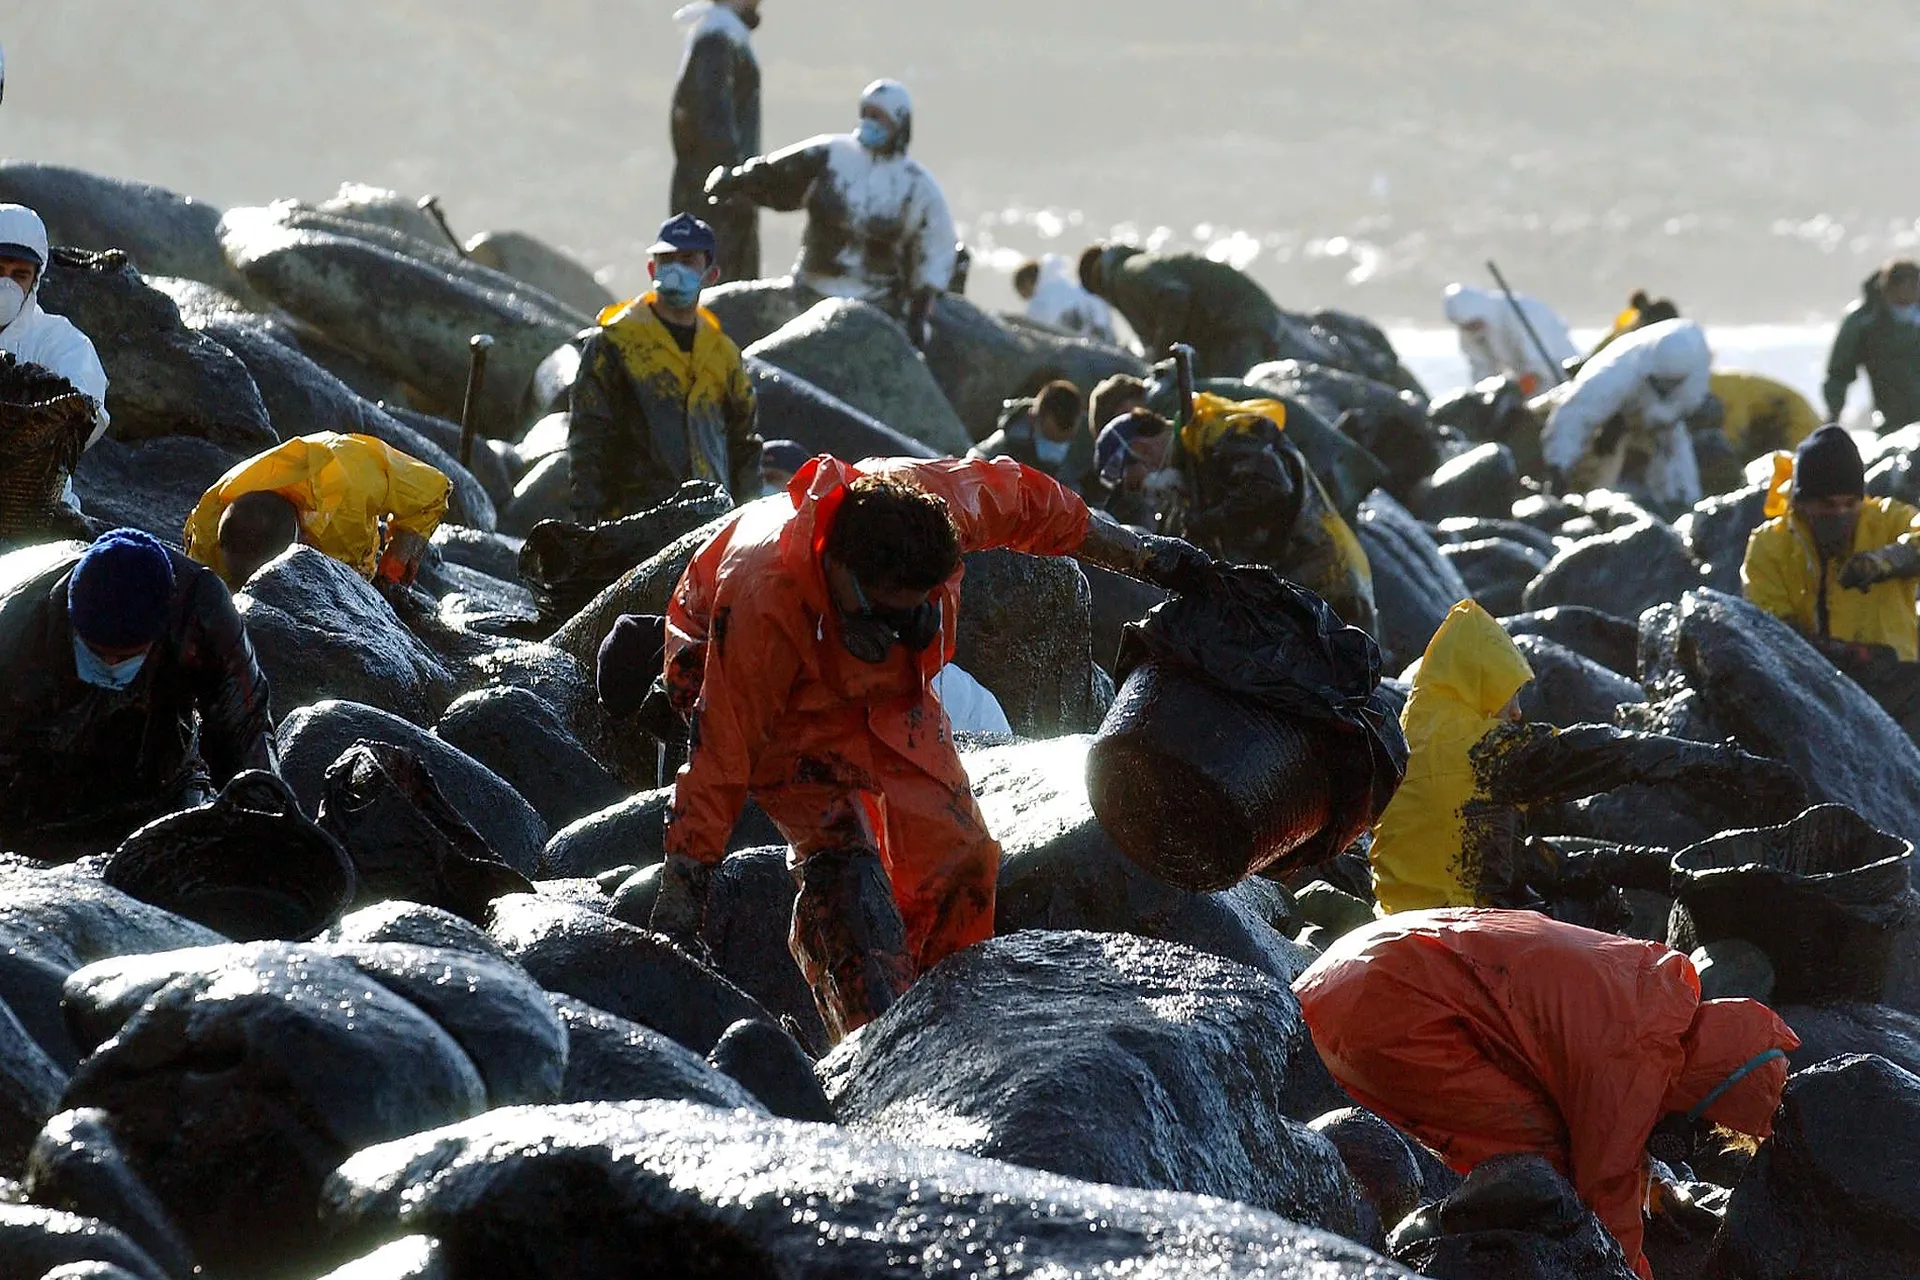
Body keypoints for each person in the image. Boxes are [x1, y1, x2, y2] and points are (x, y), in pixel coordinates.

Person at [649, 454, 1210, 1041]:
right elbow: (722, 753)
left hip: (884, 684)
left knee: (958, 856)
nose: (919, 622)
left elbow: (1031, 501)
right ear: (845, 576)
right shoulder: (762, 604)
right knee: (845, 867)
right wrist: (685, 887)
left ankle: (956, 1018)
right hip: (756, 678)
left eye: (928, 603)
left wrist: (1141, 554)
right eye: (900, 611)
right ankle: (869, 1039)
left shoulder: (931, 501)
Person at [1294, 908, 1800, 1279]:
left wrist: (1651, 1186)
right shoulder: (1633, 1065)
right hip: (1375, 1012)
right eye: (1713, 1123)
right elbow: (1604, 1185)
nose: (1704, 1132)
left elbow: (1610, 1103)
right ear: (1714, 1093)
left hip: (1359, 960)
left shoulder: (1656, 985)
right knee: (1546, 1170)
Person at [1371, 600, 1804, 916]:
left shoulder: (1408, 739)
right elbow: (1608, 754)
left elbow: (1466, 845)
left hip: (1397, 916)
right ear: (1475, 683)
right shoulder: (1485, 752)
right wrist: (1719, 763)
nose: (1518, 711)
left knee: (1580, 864)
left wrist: (1640, 864)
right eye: (1508, 692)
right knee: (1599, 903)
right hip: (1462, 929)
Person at [0, 528, 276, 858]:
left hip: (161, 780)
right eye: (98, 652)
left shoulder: (200, 610)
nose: (112, 664)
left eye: (127, 654)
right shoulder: (14, 630)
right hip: (34, 794)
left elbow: (246, 729)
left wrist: (266, 829)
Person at [705, 79, 956, 343]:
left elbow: (935, 253)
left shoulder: (918, 186)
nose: (870, 122)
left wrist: (918, 314)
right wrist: (733, 181)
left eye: (879, 117)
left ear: (899, 124)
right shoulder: (831, 154)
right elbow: (776, 175)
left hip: (877, 305)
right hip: (809, 291)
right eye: (866, 114)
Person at [570, 213, 761, 523]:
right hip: (635, 520)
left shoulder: (723, 354)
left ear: (710, 275)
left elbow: (744, 445)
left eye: (687, 260)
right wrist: (590, 523)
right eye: (666, 259)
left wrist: (746, 518)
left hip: (711, 522)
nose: (675, 269)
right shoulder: (616, 342)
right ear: (651, 268)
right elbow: (589, 438)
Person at [1742, 425, 1920, 734]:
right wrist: (1848, 655)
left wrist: (1884, 561)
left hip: (1899, 688)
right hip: (1811, 696)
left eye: (1850, 503)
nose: (1840, 513)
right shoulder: (1769, 546)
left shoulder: (1888, 521)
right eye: (1827, 505)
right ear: (1800, 501)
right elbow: (1769, 628)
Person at [182, 432, 450, 589]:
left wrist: (392, 570)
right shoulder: (208, 523)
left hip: (351, 535)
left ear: (302, 541)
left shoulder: (356, 475)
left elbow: (431, 493)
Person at [1537, 317, 1713, 512]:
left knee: (1677, 464)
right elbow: (1572, 415)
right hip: (1616, 405)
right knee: (1596, 462)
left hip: (1664, 422)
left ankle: (1685, 504)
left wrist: (1637, 420)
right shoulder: (1614, 373)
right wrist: (1558, 467)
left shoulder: (1696, 360)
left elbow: (1682, 407)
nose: (1665, 389)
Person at [1078, 242, 1291, 378]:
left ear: (1098, 286)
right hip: (1241, 321)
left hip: (1238, 322)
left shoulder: (1127, 273)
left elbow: (1176, 297)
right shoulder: (1133, 269)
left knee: (1233, 404)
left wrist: (1162, 356)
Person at [0, 204, 110, 446]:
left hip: (34, 479)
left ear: (36, 278)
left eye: (19, 275)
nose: (6, 285)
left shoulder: (62, 341)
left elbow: (89, 414)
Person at [670, 0, 762, 283]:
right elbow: (712, 125)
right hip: (715, 200)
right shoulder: (718, 39)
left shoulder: (722, 36)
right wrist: (733, 185)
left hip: (716, 193)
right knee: (716, 290)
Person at [1823, 259, 1920, 431]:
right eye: (1900, 294)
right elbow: (1839, 373)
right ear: (1886, 290)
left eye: (1913, 289)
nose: (1906, 298)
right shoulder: (1863, 322)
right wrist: (1832, 417)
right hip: (1891, 421)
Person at [1442, 282, 1576, 396]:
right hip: (1527, 388)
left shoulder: (1521, 312)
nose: (1472, 330)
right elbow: (1481, 369)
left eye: (1474, 324)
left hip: (1563, 379)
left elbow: (1539, 367)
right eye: (1467, 327)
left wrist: (1513, 392)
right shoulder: (1471, 331)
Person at [969, 379, 1096, 493]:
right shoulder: (1008, 442)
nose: (1059, 446)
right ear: (1034, 418)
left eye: (1065, 438)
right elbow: (974, 464)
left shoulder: (1088, 444)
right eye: (1051, 437)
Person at [1014, 254, 1117, 344]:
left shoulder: (1039, 303)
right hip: (1105, 342)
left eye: (1021, 291)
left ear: (1027, 283)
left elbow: (1032, 335)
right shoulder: (1076, 287)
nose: (1023, 298)